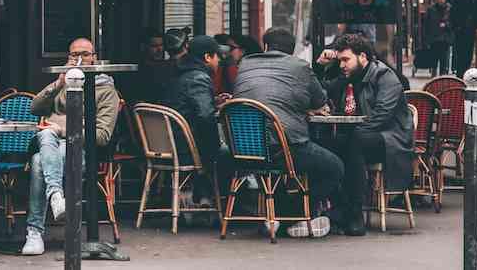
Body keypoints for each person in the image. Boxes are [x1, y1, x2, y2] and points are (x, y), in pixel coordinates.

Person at [233, 28, 341, 239]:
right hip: (284, 147)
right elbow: (320, 101)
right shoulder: (300, 67)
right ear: (291, 52)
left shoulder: (245, 64)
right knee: (335, 168)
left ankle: (281, 211)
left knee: (274, 168)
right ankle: (293, 212)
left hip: (244, 148)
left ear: (265, 47)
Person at [21, 38, 120, 256]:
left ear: (94, 57)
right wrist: (58, 84)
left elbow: (102, 136)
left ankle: (34, 231)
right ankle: (56, 195)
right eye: (74, 55)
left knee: (38, 162)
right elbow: (34, 107)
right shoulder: (64, 83)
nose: (79, 59)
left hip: (78, 148)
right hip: (50, 142)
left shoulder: (106, 91)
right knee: (46, 134)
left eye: (85, 54)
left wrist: (62, 130)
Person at [315, 33, 414, 237]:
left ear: (362, 57)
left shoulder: (384, 76)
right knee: (322, 146)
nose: (342, 65)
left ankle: (354, 214)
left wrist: (355, 132)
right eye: (339, 60)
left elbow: (382, 116)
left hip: (389, 139)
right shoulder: (346, 77)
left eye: (345, 60)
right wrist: (319, 66)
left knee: (355, 141)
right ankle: (341, 208)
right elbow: (319, 93)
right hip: (359, 138)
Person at [166, 35, 223, 204]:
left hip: (170, 141)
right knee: (232, 155)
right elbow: (205, 116)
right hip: (186, 147)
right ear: (207, 57)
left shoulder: (179, 73)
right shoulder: (198, 77)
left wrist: (214, 102)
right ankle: (227, 204)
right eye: (217, 56)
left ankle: (205, 198)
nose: (219, 61)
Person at [128, 27, 174, 103]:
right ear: (143, 47)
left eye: (161, 45)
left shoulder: (169, 65)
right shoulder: (138, 70)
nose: (159, 49)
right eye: (154, 46)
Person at [422, 0, 453, 76]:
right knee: (434, 61)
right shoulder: (431, 9)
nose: (440, 0)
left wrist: (446, 25)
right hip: (434, 39)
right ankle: (434, 77)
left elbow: (453, 22)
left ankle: (443, 78)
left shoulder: (449, 8)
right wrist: (426, 39)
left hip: (445, 39)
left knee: (444, 61)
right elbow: (426, 25)